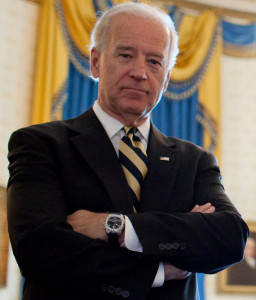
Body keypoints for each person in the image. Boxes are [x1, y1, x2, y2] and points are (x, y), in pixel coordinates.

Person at [7, 2, 249, 300]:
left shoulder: (194, 160)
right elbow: (39, 251)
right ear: (96, 62)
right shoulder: (40, 145)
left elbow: (229, 238)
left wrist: (116, 226)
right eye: (125, 55)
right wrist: (159, 270)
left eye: (154, 61)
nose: (140, 72)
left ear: (168, 77)